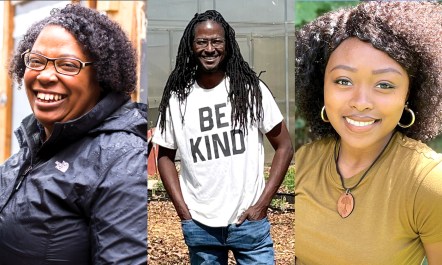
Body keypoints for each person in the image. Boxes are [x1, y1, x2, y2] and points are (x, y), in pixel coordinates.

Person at [295, 1, 442, 264]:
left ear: (409, 94)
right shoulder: (302, 161)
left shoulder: (429, 183)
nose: (361, 101)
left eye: (384, 84)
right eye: (343, 81)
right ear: (321, 86)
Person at [0, 4, 147, 264]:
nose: (45, 75)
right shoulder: (39, 140)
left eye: (68, 65)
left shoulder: (122, 160)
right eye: (36, 61)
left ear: (102, 77)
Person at [152, 9, 293, 265]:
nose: (209, 48)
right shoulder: (178, 98)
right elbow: (164, 155)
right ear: (190, 45)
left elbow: (284, 145)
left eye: (216, 41)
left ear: (227, 45)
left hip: (248, 223)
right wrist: (183, 211)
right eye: (201, 41)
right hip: (200, 225)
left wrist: (262, 204)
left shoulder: (250, 90)